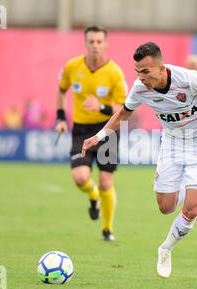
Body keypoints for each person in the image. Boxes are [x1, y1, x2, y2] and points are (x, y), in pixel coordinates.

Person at [82, 42, 197, 278]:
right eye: (137, 72)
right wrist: (99, 136)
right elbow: (124, 113)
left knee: (191, 209)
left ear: (161, 68)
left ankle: (166, 248)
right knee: (165, 208)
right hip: (172, 144)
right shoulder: (140, 88)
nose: (141, 77)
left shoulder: (188, 79)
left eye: (145, 72)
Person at [55, 26, 127, 241]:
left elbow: (124, 110)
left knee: (106, 181)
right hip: (81, 130)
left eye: (99, 42)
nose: (95, 46)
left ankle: (107, 229)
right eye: (91, 42)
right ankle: (93, 195)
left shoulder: (115, 72)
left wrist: (102, 107)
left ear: (105, 44)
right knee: (80, 178)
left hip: (108, 130)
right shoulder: (72, 66)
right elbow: (61, 90)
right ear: (86, 43)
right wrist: (60, 118)